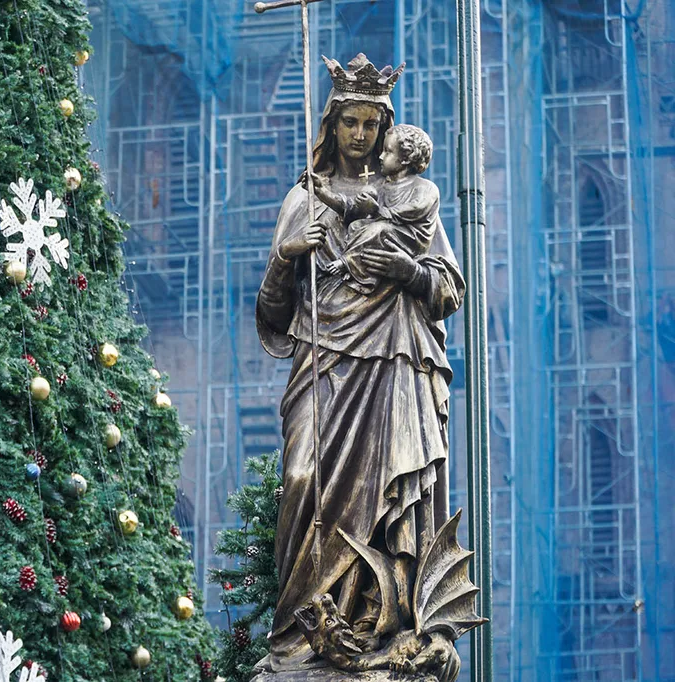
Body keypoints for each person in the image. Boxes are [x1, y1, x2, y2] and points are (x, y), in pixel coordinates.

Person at [253, 54, 465, 676]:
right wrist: (287, 255)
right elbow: (272, 312)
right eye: (351, 121)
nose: (361, 134)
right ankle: (296, 636)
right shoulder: (305, 197)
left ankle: (380, 628)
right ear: (333, 123)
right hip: (324, 357)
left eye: (372, 124)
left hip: (394, 356)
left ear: (386, 130)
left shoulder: (411, 196)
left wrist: (407, 271)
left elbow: (448, 288)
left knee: (391, 495)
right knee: (303, 477)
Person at [320, 123, 439, 295]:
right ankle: (360, 270)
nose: (381, 156)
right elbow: (351, 208)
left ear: (406, 159)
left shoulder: (425, 187)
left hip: (410, 238)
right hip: (386, 235)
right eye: (349, 122)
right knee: (356, 226)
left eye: (388, 151)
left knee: (379, 229)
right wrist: (322, 192)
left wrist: (377, 211)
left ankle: (347, 262)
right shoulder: (381, 187)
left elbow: (415, 208)